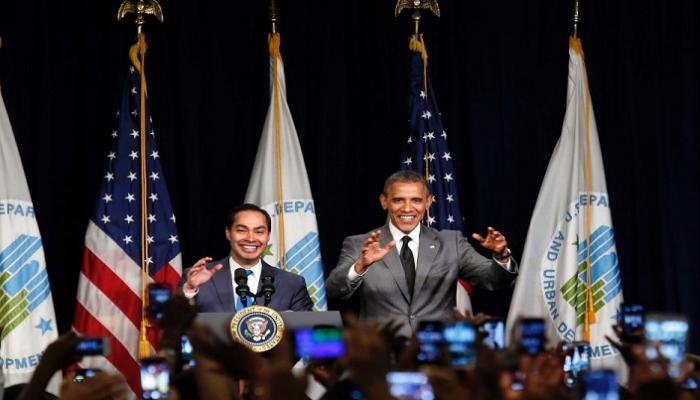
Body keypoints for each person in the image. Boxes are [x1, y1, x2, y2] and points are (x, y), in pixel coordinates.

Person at [325, 170, 518, 337]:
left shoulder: (451, 242)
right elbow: (333, 290)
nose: (407, 208)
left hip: (437, 358)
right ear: (384, 202)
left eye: (416, 200)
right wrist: (361, 266)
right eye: (398, 200)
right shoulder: (360, 244)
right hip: (381, 359)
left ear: (428, 202)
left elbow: (494, 280)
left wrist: (501, 256)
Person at [181, 203, 313, 312]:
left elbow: (306, 332)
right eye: (242, 230)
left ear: (268, 236)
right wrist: (190, 289)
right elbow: (174, 324)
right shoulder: (196, 278)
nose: (250, 238)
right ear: (228, 233)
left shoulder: (292, 284)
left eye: (259, 231)